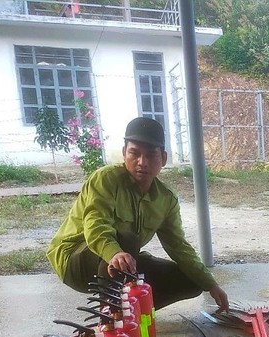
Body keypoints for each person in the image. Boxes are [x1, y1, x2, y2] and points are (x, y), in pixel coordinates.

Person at [47, 117, 229, 312]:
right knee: (127, 240)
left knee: (191, 281)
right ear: (125, 152)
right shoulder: (106, 179)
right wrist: (114, 253)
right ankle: (113, 317)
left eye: (151, 155)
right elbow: (95, 226)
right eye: (135, 153)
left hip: (123, 257)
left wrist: (211, 284)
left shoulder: (166, 199)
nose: (142, 162)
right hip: (74, 259)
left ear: (164, 158)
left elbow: (178, 246)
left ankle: (134, 310)